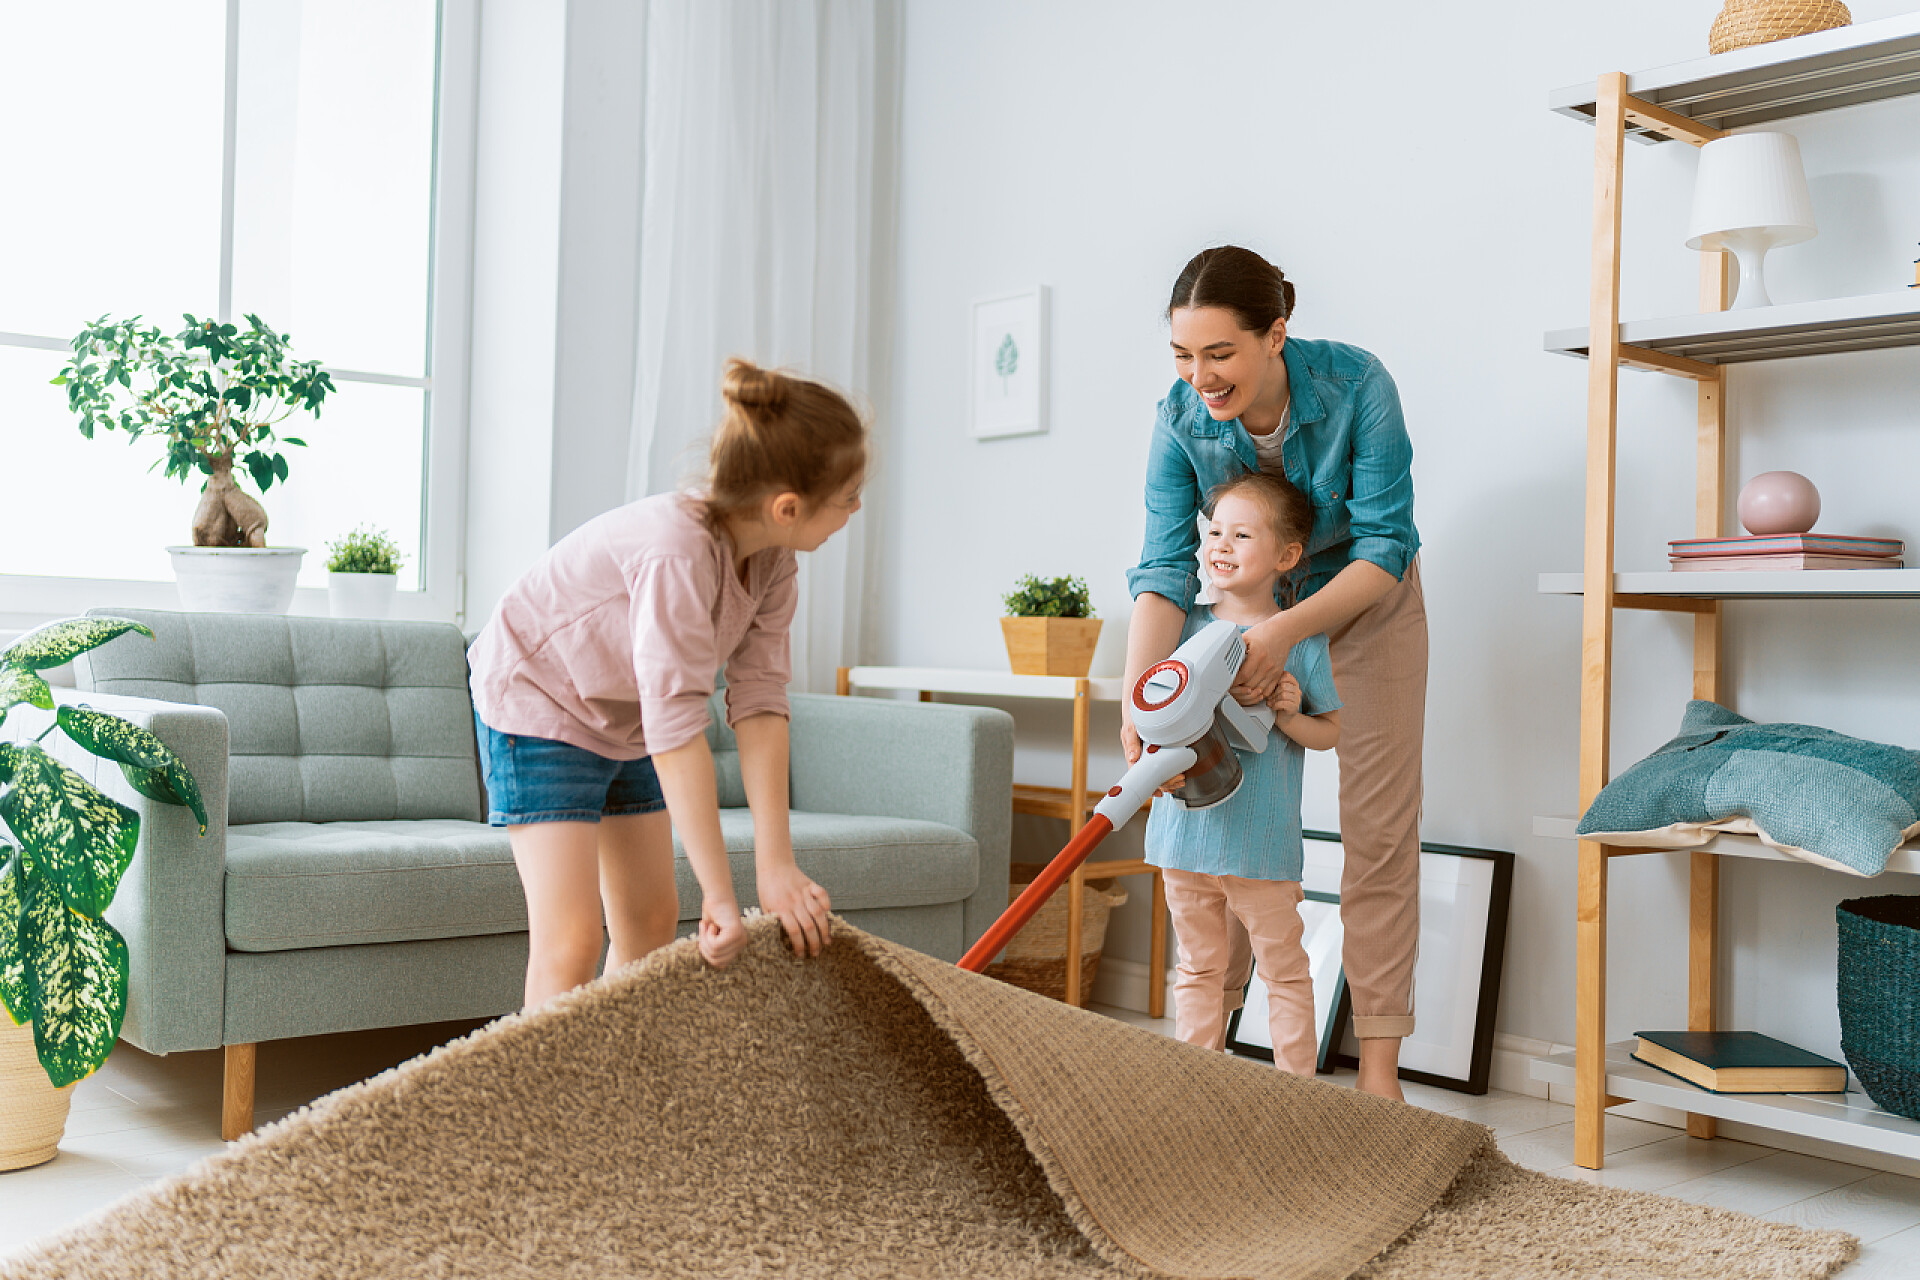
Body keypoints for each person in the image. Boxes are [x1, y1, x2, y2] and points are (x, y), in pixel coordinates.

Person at [468, 359, 865, 1006]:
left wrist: (776, 867)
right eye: (849, 496)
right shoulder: (675, 552)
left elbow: (760, 701)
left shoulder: (775, 559)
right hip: (539, 701)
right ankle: (543, 1105)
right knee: (569, 945)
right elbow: (678, 728)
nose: (856, 506)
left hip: (627, 714)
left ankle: (614, 1089)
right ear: (788, 506)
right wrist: (720, 895)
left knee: (651, 925)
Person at [1125, 244, 1425, 1101]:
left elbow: (1384, 548)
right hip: (1232, 615)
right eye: (1183, 356)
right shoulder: (1179, 418)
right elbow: (1161, 565)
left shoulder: (1357, 386)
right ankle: (1207, 1068)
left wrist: (1283, 635)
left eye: (1219, 353)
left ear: (1276, 335)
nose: (1200, 377)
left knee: (1377, 828)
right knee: (1214, 826)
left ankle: (1375, 1076)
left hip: (1363, 599)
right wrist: (1139, 685)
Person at [1146, 472, 1341, 1074]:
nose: (1220, 546)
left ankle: (1296, 1096)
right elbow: (1154, 715)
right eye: (1215, 532)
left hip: (1259, 845)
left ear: (1286, 556)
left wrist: (1288, 714)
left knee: (1283, 968)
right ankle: (1198, 1087)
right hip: (1184, 837)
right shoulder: (1182, 626)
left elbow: (1330, 733)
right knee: (1198, 968)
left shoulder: (1300, 643)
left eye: (1242, 535)